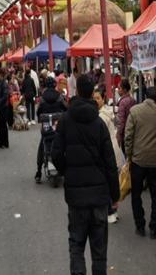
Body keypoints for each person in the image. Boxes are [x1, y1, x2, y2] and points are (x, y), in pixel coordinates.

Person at [51, 75, 120, 275]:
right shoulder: (99, 124)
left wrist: (67, 171)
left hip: (76, 198)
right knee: (99, 251)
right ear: (92, 93)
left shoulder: (65, 121)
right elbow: (110, 162)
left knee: (76, 246)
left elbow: (56, 154)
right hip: (99, 196)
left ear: (76, 91)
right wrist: (114, 196)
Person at [124, 87, 156, 238]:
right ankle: (154, 227)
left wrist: (129, 156)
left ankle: (140, 225)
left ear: (144, 96)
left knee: (136, 194)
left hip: (138, 160)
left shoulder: (135, 111)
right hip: (155, 161)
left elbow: (128, 136)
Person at [93, 85, 124, 224]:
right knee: (112, 180)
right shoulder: (107, 112)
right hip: (113, 149)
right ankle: (113, 210)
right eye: (94, 98)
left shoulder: (102, 117)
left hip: (108, 151)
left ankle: (111, 211)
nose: (96, 100)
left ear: (103, 98)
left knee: (107, 181)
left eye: (98, 98)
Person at [35, 77, 68, 183]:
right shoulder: (59, 96)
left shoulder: (43, 98)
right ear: (54, 85)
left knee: (42, 146)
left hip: (46, 129)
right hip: (58, 129)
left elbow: (38, 113)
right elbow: (66, 109)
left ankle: (39, 172)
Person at [115, 79, 135, 150]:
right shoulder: (132, 100)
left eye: (119, 88)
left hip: (125, 134)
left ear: (125, 90)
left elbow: (121, 121)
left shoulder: (123, 102)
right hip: (133, 132)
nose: (118, 90)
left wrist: (118, 135)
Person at [0, 68, 11, 149]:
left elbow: (5, 95)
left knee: (3, 125)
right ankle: (1, 141)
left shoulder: (4, 83)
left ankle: (5, 142)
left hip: (3, 107)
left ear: (0, 74)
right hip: (0, 106)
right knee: (0, 125)